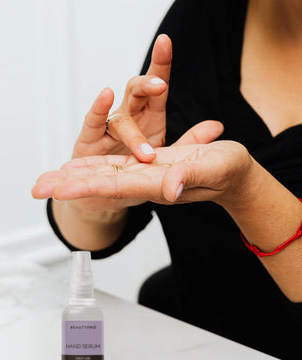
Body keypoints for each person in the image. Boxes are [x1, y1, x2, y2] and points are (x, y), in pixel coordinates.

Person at [32, 0, 302, 358]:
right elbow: (90, 238)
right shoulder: (205, 13)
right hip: (187, 339)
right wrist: (97, 202)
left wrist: (249, 193)